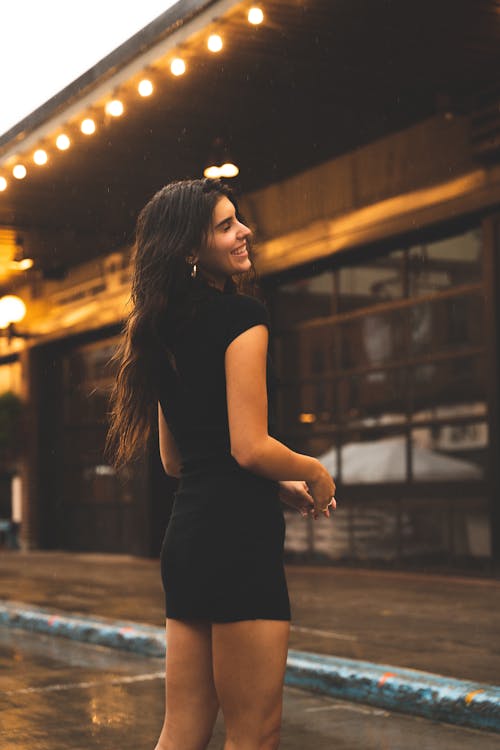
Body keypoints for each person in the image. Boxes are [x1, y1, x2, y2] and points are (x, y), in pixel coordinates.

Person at [105, 178, 336, 750]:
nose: (245, 232)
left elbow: (178, 460)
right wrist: (312, 470)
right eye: (227, 225)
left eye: (239, 220)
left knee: (181, 731)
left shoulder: (158, 329)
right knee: (254, 733)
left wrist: (278, 487)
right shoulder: (243, 317)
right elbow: (248, 446)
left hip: (188, 538)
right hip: (238, 538)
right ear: (189, 249)